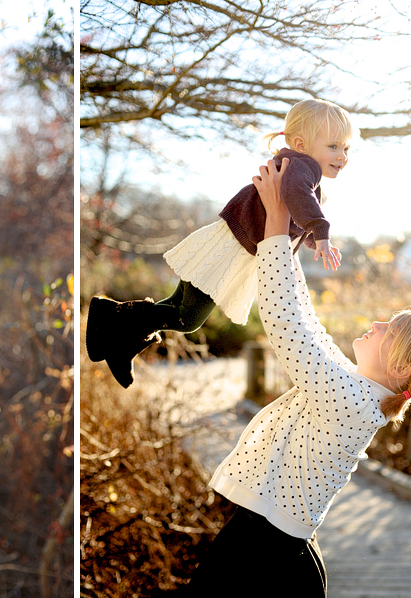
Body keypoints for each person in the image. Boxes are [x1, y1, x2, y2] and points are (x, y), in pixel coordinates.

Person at [168, 159, 411, 598]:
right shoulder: (354, 389)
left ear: (398, 365)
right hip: (274, 541)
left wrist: (272, 219)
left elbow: (286, 320)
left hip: (274, 552)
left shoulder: (348, 400)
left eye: (387, 327)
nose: (374, 323)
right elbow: (305, 314)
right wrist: (288, 230)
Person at [86, 98, 355, 388]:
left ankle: (122, 343)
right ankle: (111, 314)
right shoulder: (303, 170)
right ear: (301, 144)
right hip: (230, 253)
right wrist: (321, 230)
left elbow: (293, 214)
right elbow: (299, 198)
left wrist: (315, 239)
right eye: (333, 146)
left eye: (346, 148)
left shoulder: (295, 169)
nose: (342, 155)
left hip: (226, 243)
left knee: (175, 305)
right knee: (188, 319)